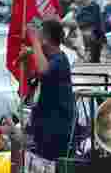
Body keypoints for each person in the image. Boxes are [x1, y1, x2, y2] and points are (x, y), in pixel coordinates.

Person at [25, 19, 75, 161]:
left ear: (46, 39)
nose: (35, 37)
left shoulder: (60, 60)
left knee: (52, 171)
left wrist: (34, 41)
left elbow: (44, 70)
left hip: (56, 129)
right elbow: (33, 80)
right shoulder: (47, 59)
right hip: (42, 126)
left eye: (38, 34)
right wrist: (27, 60)